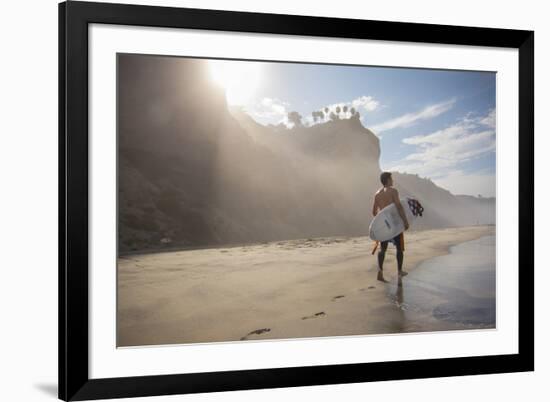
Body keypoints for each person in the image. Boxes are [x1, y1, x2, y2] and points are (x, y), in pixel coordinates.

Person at [372, 172, 409, 277]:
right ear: (387, 180)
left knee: (383, 249)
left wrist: (380, 223)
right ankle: (399, 271)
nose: (393, 180)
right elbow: (399, 206)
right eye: (391, 179)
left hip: (385, 225)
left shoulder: (377, 194)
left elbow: (374, 212)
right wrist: (405, 221)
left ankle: (380, 270)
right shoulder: (393, 191)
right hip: (395, 224)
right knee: (399, 248)